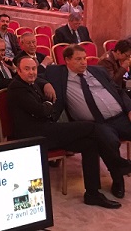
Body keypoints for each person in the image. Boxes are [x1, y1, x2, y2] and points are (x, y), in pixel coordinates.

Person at [8, 55, 130, 209]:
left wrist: (45, 88)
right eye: (27, 69)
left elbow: (41, 91)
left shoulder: (31, 82)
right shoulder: (17, 88)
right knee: (91, 127)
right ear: (18, 71)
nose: (31, 72)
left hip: (47, 130)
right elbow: (42, 111)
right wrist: (48, 104)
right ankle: (119, 164)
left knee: (90, 144)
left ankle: (92, 193)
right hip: (35, 135)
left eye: (33, 68)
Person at [45, 44, 131, 198]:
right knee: (109, 141)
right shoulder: (56, 73)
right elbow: (30, 73)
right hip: (96, 124)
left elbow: (118, 90)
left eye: (84, 58)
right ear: (67, 60)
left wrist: (130, 109)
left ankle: (120, 167)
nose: (84, 62)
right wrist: (45, 84)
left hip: (120, 116)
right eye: (78, 59)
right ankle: (118, 179)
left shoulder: (98, 71)